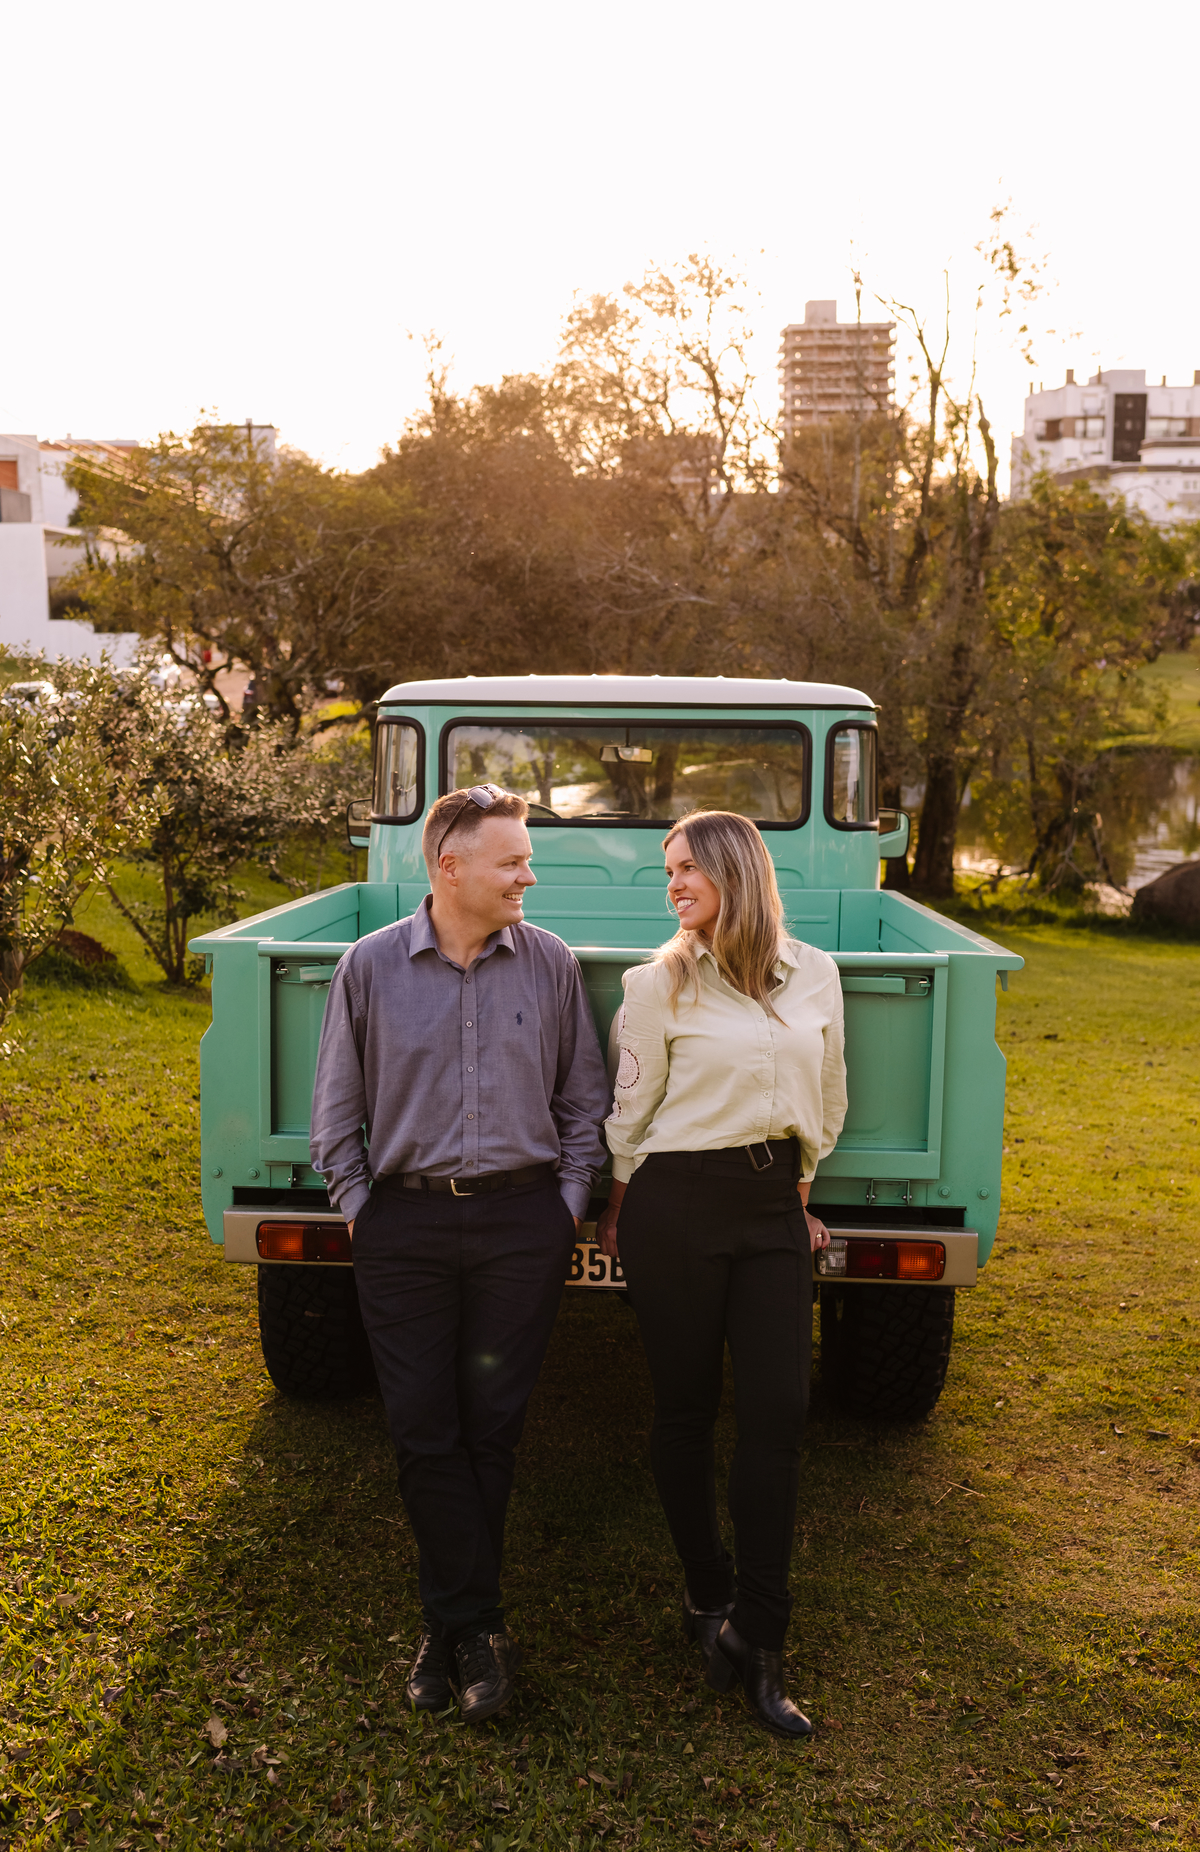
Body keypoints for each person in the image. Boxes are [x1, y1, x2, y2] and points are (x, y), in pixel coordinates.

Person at [310, 784, 611, 1724]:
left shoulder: (551, 963)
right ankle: (473, 1625)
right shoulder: (366, 968)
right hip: (404, 1229)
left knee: (491, 1425)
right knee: (420, 1426)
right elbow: (335, 1115)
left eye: (527, 859)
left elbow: (582, 1102)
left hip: (522, 1224)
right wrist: (364, 1210)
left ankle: (453, 1631)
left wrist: (564, 1205)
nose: (530, 875)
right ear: (450, 867)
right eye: (513, 860)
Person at [596, 810, 847, 1738]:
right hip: (677, 1204)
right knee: (685, 1410)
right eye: (668, 871)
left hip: (775, 1206)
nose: (673, 884)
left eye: (688, 867)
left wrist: (803, 1188)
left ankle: (759, 1633)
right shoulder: (656, 984)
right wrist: (621, 1210)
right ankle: (709, 1599)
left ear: (736, 871)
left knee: (780, 1414)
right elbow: (631, 1110)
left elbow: (828, 1090)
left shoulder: (814, 972)